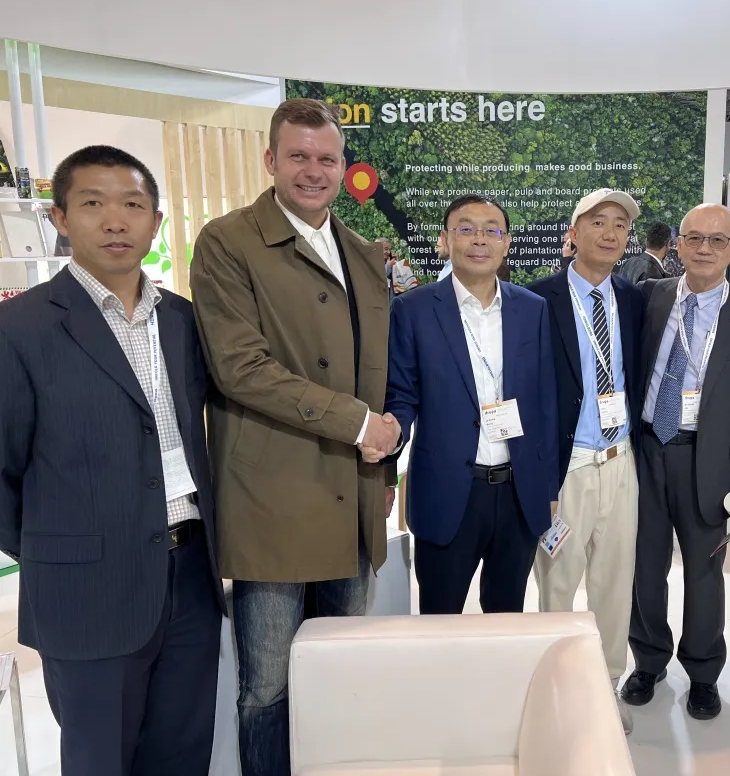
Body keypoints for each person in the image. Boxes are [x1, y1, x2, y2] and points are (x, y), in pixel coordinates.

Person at [0, 146, 225, 775]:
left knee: (182, 754)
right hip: (86, 588)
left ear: (156, 222)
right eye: (93, 203)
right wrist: (56, 547)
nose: (115, 221)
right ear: (60, 218)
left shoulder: (183, 320)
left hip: (191, 571)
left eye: (133, 205)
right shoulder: (19, 327)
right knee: (100, 759)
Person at [189, 99, 398, 776]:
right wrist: (358, 424)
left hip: (354, 491)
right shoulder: (227, 242)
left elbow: (376, 372)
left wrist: (386, 467)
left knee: (342, 671)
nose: (313, 170)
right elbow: (240, 368)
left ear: (344, 166)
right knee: (268, 688)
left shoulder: (363, 252)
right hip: (272, 496)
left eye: (326, 158)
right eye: (298, 156)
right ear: (270, 160)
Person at [624, 203, 730, 722]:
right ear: (678, 244)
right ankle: (648, 659)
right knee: (644, 567)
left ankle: (702, 671)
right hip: (646, 452)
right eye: (694, 238)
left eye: (718, 240)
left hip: (712, 462)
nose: (705, 249)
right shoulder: (650, 297)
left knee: (704, 572)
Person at [384, 195, 557, 613]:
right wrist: (387, 447)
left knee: (506, 617)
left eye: (491, 230)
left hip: (518, 494)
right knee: (440, 621)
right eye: (466, 229)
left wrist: (548, 486)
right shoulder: (413, 309)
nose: (480, 239)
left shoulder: (532, 308)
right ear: (445, 240)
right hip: (447, 492)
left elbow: (545, 402)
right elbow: (400, 394)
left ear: (507, 243)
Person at [528, 188, 646, 734]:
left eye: (620, 224)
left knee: (615, 584)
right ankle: (556, 687)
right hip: (567, 465)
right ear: (572, 233)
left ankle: (607, 684)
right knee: (557, 583)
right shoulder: (537, 299)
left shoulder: (634, 299)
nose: (610, 232)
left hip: (621, 460)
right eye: (598, 221)